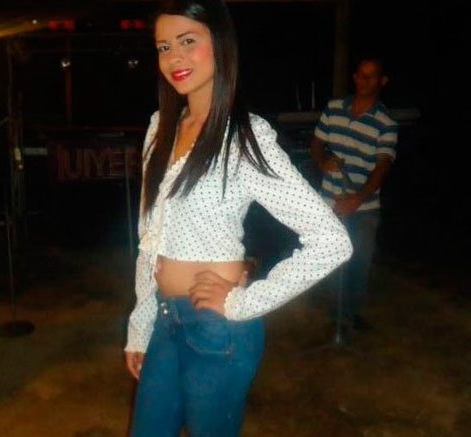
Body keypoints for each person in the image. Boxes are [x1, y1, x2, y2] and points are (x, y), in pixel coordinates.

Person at [124, 1, 353, 435]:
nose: (174, 57)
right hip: (164, 320)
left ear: (221, 44)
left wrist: (246, 302)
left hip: (218, 329)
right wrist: (141, 322)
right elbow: (149, 238)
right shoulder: (160, 128)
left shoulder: (245, 138)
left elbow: (331, 240)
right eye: (164, 46)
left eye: (188, 41)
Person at [310, 58, 398, 331]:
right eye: (360, 74)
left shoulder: (386, 123)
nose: (362, 80)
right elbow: (317, 144)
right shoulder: (334, 108)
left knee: (359, 262)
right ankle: (337, 313)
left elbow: (383, 166)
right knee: (331, 258)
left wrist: (357, 199)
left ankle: (348, 313)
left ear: (382, 81)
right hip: (329, 201)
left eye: (370, 76)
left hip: (364, 207)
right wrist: (322, 161)